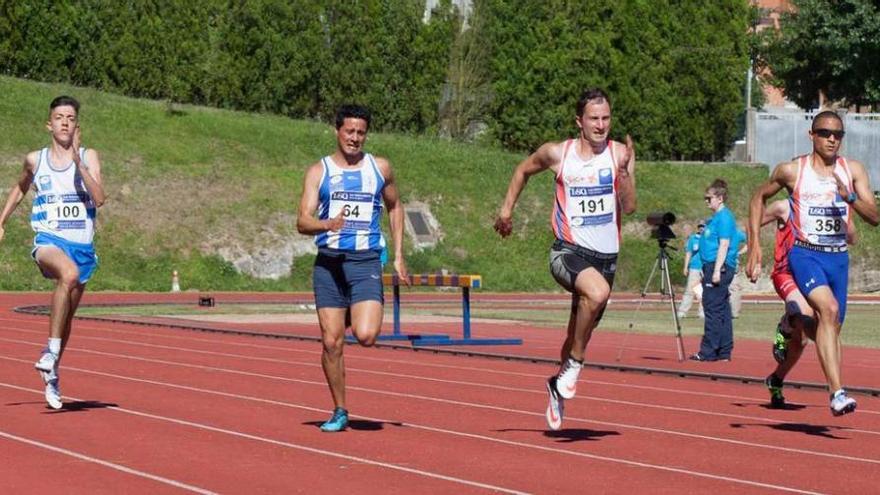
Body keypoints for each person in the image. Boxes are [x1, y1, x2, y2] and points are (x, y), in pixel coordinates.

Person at [494, 88, 636, 431]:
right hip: (567, 252)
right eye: (594, 119)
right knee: (598, 295)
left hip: (606, 258)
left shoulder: (620, 153)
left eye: (606, 118)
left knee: (577, 331)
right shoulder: (559, 154)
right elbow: (523, 170)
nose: (601, 125)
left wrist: (625, 173)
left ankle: (557, 386)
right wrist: (506, 209)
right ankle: (575, 363)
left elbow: (629, 208)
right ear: (579, 122)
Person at [747, 111, 878, 416]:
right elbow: (758, 198)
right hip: (804, 255)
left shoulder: (853, 170)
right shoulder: (793, 171)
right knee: (828, 310)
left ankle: (788, 342)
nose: (832, 139)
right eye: (825, 133)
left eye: (838, 135)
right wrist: (754, 246)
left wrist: (849, 199)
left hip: (838, 260)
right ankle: (837, 392)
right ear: (812, 135)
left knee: (827, 327)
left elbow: (874, 217)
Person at [296, 104, 408, 432]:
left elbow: (396, 206)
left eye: (360, 133)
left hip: (365, 262)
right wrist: (325, 223)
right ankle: (340, 409)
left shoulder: (380, 168)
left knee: (367, 335)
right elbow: (302, 221)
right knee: (331, 342)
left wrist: (399, 254)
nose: (355, 138)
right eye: (349, 132)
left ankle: (350, 311)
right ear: (337, 132)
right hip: (329, 265)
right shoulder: (319, 172)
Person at [0, 96, 106, 409]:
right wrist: (1, 221)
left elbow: (99, 198)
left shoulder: (89, 156)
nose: (64, 122)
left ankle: (52, 369)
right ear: (49, 124)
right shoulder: (36, 159)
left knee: (66, 318)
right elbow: (20, 187)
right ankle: (50, 353)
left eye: (70, 118)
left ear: (77, 126)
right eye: (59, 117)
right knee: (67, 273)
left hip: (82, 246)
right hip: (48, 240)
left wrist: (78, 162)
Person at [690, 179, 737, 362]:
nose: (706, 201)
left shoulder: (724, 217)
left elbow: (724, 244)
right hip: (710, 266)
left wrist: (716, 270)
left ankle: (708, 351)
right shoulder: (715, 218)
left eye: (709, 198)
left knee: (712, 309)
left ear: (720, 198)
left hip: (719, 267)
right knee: (722, 309)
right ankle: (724, 351)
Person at [677, 222, 704, 319]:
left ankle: (702, 311)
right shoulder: (693, 239)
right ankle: (682, 311)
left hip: (706, 266)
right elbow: (688, 253)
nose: (702, 228)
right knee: (690, 290)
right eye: (700, 227)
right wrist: (685, 267)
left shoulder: (710, 238)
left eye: (704, 226)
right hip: (695, 267)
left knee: (703, 291)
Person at [728, 225, 748, 318]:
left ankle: (734, 312)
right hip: (718, 263)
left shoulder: (736, 233)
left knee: (734, 288)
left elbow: (750, 241)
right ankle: (730, 312)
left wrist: (740, 252)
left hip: (731, 263)